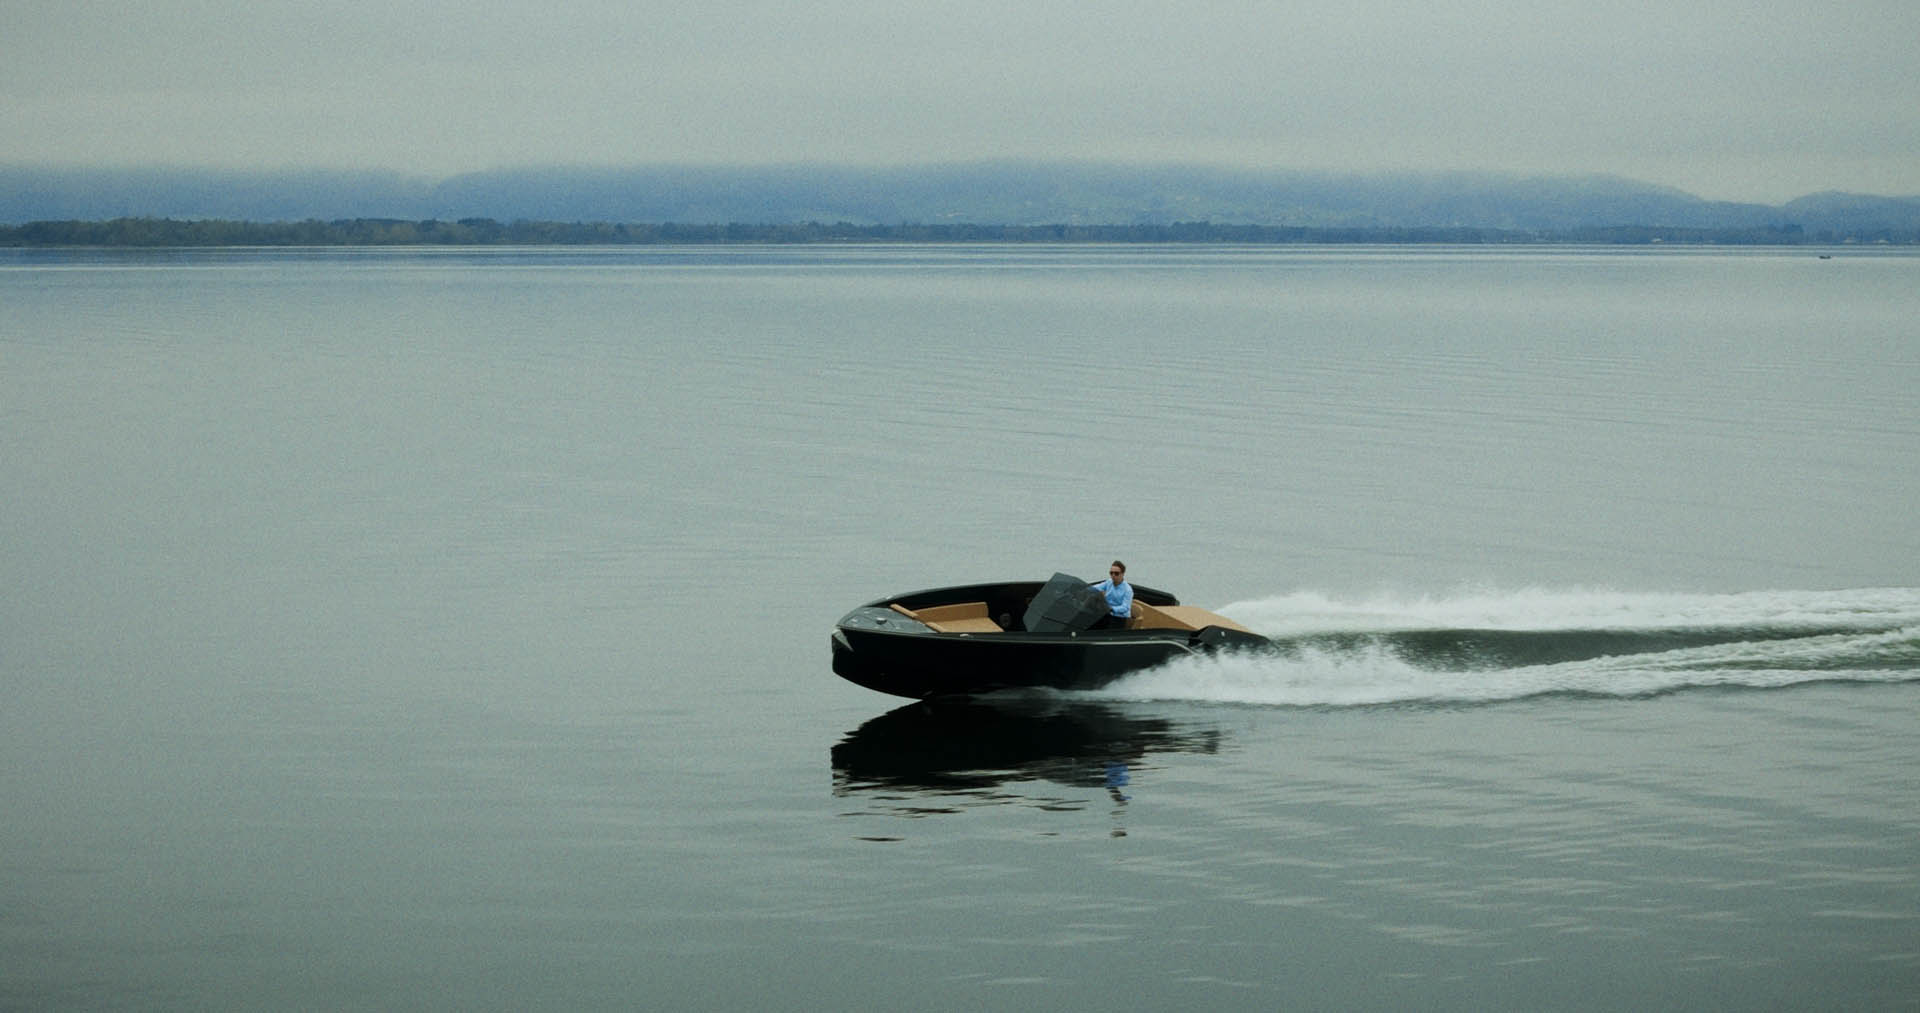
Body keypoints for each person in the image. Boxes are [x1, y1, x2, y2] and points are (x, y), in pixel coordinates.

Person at [1090, 560, 1133, 630]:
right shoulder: (1109, 582)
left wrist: (1112, 609)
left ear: (1122, 574)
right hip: (1108, 614)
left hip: (1120, 617)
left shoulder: (1128, 590)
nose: (1113, 575)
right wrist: (1084, 588)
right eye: (1111, 573)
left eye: (1116, 573)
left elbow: (1125, 608)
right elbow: (1096, 588)